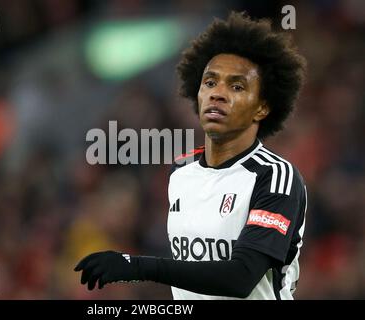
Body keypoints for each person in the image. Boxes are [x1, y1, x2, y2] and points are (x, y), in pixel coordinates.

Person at [74, 11, 307, 300]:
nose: (217, 94)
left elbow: (241, 277)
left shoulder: (274, 177)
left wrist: (136, 265)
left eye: (236, 86)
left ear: (262, 107)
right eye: (210, 82)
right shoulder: (180, 172)